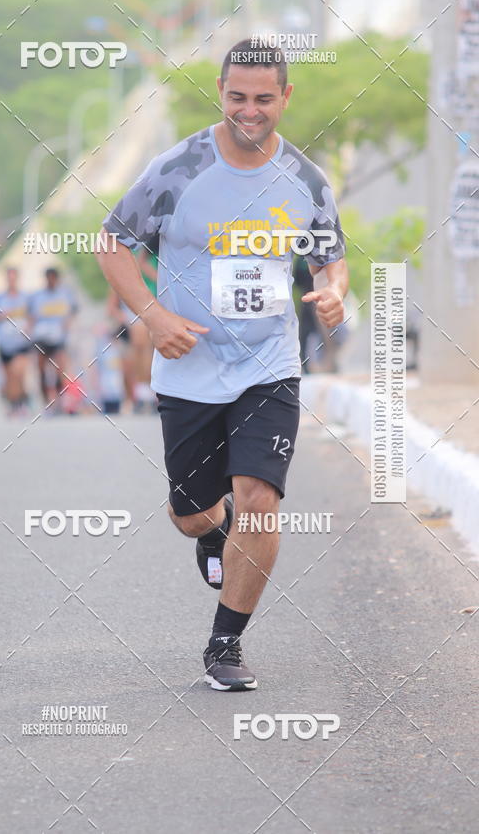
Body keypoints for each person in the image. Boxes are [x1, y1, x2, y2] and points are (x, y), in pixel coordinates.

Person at [97, 38, 348, 691]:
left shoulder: (306, 179)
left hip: (268, 365)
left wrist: (333, 290)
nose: (250, 110)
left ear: (285, 98)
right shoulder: (178, 170)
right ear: (220, 90)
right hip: (190, 369)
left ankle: (225, 645)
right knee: (193, 514)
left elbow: (329, 255)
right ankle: (215, 534)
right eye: (237, 96)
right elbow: (112, 243)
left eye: (264, 98)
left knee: (259, 498)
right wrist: (153, 317)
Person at [29, 267, 78, 409]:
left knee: (60, 368)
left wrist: (68, 322)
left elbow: (73, 311)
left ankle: (59, 397)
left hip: (59, 337)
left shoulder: (66, 294)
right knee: (41, 368)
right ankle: (46, 400)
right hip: (41, 336)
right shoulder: (37, 296)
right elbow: (31, 316)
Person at [0, 267, 31, 415]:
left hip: (21, 342)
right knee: (9, 377)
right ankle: (15, 403)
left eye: (14, 277)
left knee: (18, 372)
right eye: (9, 277)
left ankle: (22, 402)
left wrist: (29, 328)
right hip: (5, 343)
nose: (12, 280)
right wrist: (3, 316)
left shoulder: (26, 297)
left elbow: (33, 316)